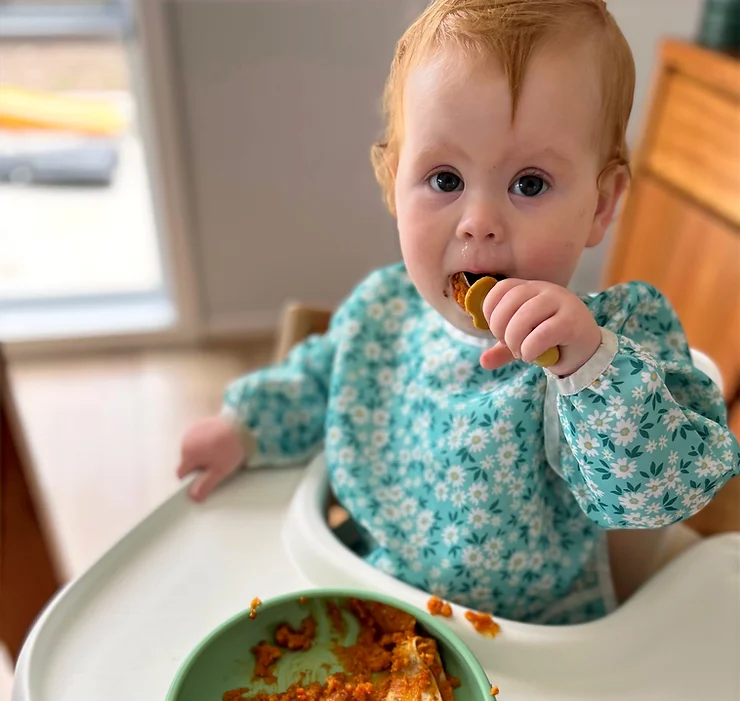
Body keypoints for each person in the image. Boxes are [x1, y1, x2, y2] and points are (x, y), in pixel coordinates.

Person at [177, 0, 740, 625]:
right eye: (444, 179)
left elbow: (662, 492)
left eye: (530, 184)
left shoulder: (616, 340)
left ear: (601, 205)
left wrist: (588, 366)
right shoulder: (382, 313)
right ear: (394, 182)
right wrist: (244, 427)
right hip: (375, 598)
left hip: (535, 636)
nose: (480, 224)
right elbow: (314, 385)